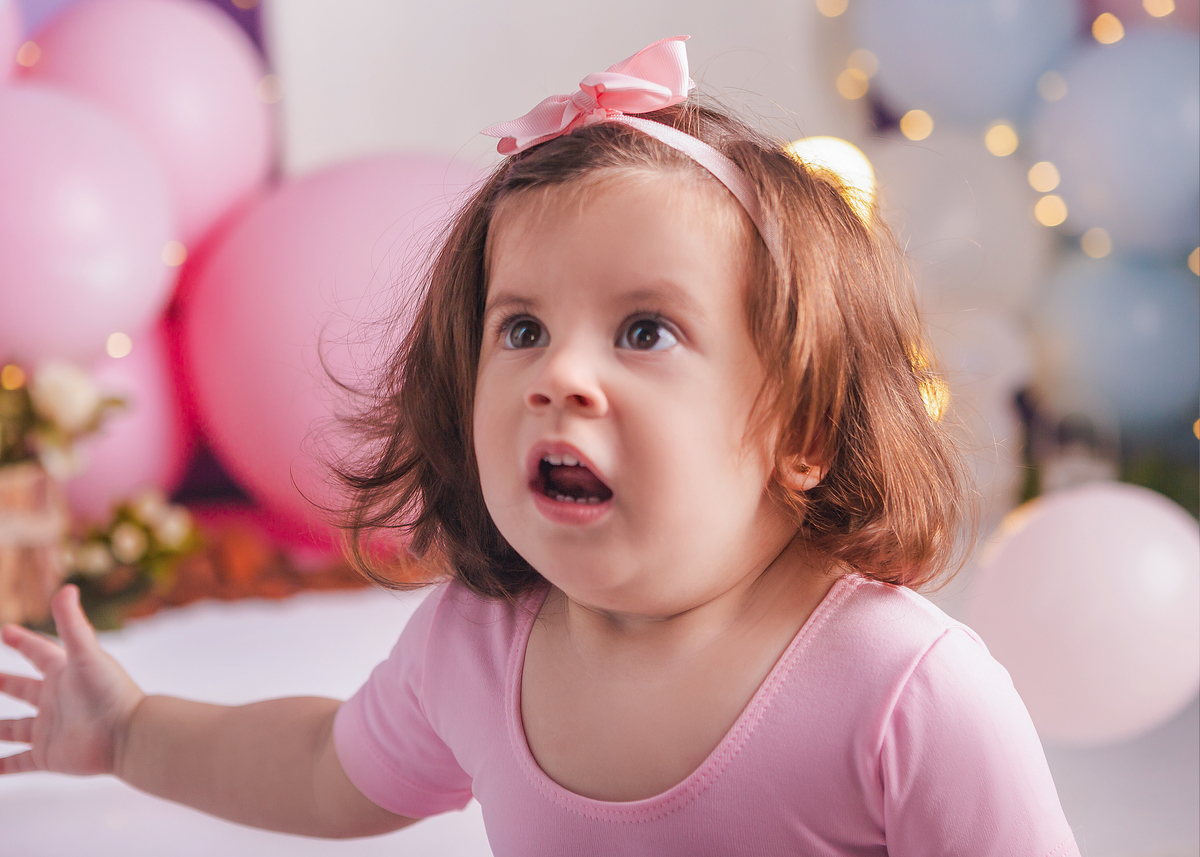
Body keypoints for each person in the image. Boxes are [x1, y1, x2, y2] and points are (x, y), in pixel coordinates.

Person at [0, 37, 1079, 856]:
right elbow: (325, 768)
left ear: (799, 428)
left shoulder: (905, 692)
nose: (559, 374)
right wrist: (129, 732)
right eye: (521, 329)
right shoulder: (480, 646)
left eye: (645, 331)